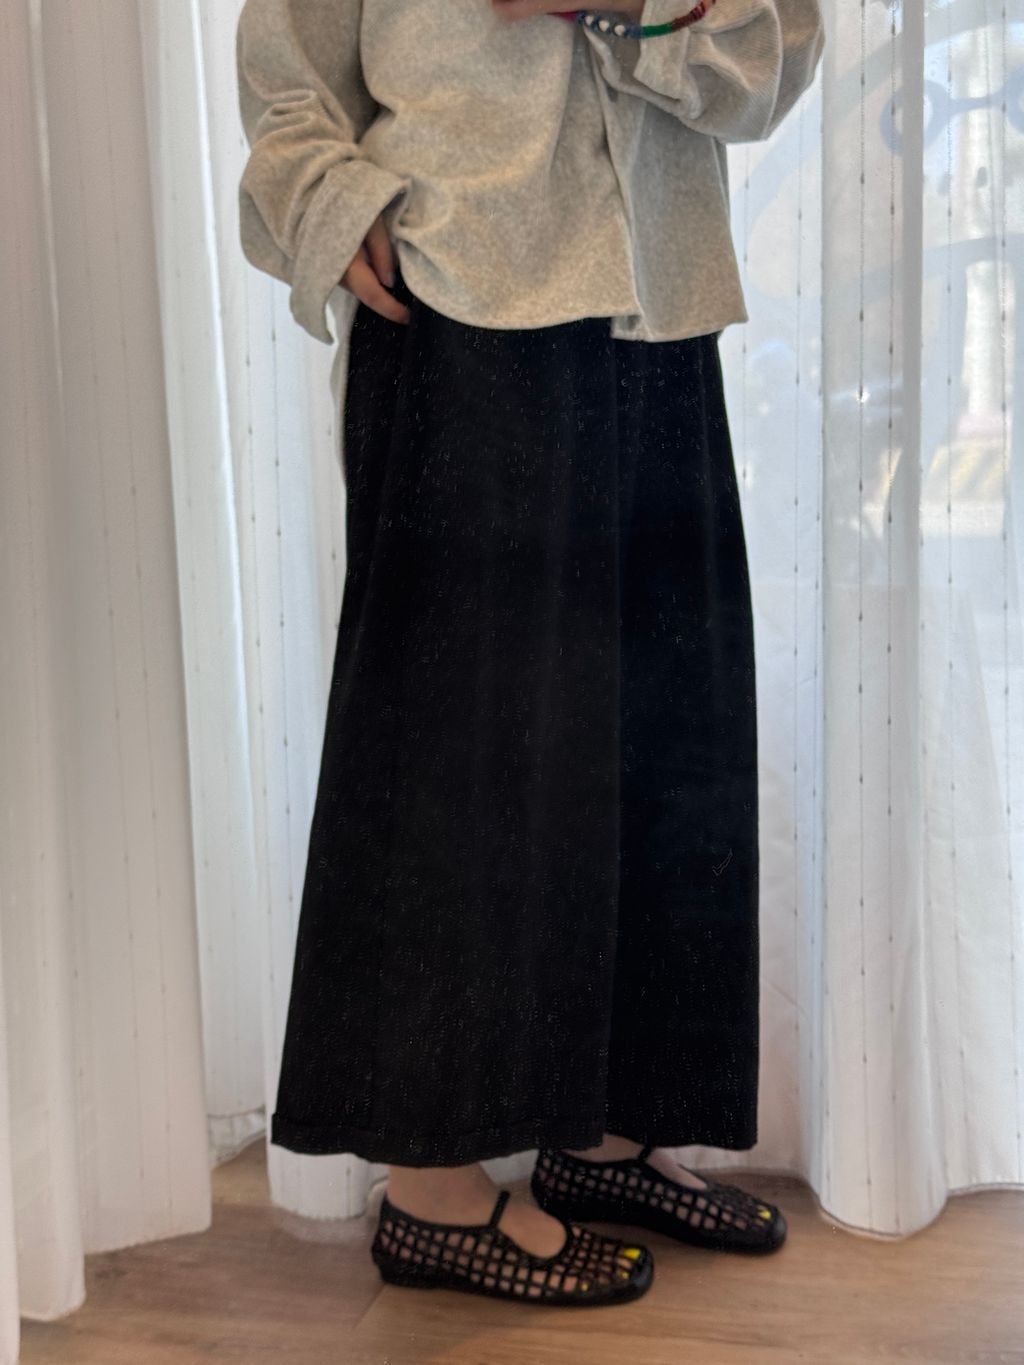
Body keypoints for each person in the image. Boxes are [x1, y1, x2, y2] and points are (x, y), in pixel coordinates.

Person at [235, 0, 825, 1307]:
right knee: (455, 753)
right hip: (458, 296)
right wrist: (337, 208)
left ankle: (608, 1136)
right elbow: (286, 77)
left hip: (658, 300)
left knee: (666, 737)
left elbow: (776, 51)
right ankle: (433, 1195)